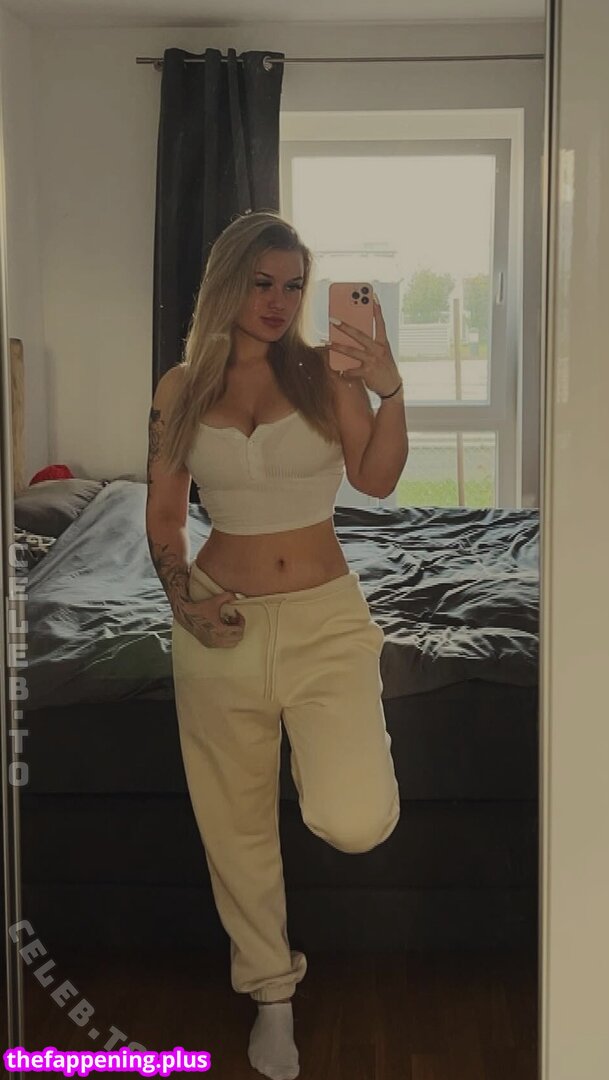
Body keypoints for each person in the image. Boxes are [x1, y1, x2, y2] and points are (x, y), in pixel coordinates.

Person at [145, 210, 408, 1080]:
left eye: (293, 285)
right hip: (218, 625)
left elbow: (376, 479)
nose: (278, 301)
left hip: (325, 622)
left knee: (353, 817)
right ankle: (271, 996)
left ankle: (324, 749)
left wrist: (387, 390)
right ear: (226, 282)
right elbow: (164, 517)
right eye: (262, 283)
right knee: (235, 826)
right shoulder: (181, 386)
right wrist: (183, 601)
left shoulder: (321, 372)